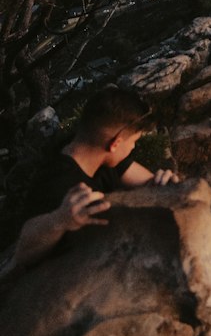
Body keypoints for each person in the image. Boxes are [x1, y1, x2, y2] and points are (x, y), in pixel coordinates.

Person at [11, 87, 179, 272]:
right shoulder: (56, 181)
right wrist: (59, 219)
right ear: (115, 143)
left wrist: (162, 182)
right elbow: (23, 253)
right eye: (133, 141)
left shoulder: (103, 157)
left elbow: (147, 181)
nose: (132, 148)